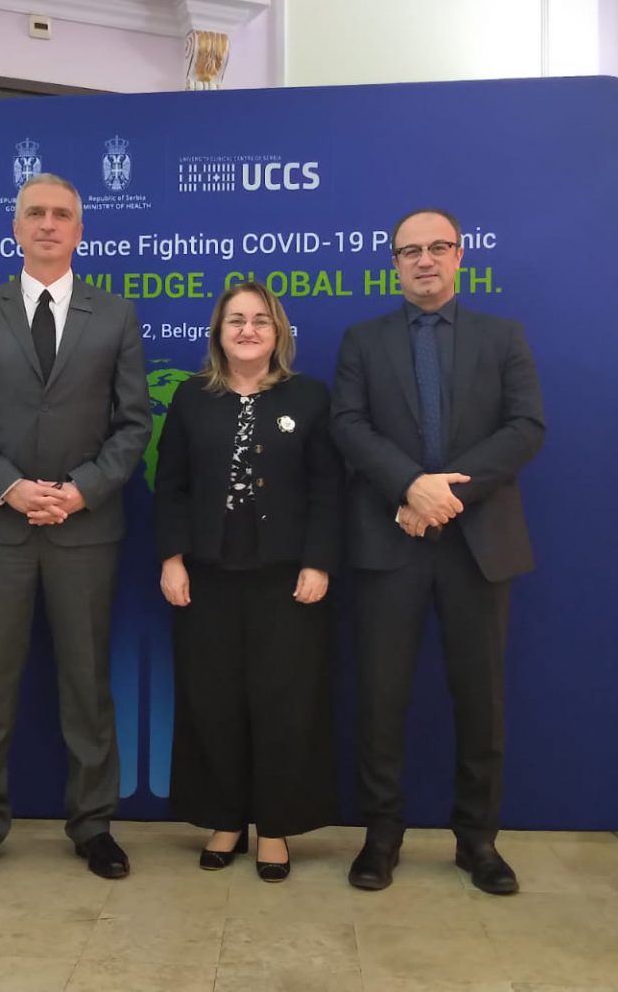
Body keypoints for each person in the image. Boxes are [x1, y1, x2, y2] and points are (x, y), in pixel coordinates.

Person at [0, 172, 151, 883]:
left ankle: (93, 823)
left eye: (62, 214)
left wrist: (80, 491)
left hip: (84, 529)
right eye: (36, 213)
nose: (49, 224)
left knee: (87, 682)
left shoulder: (114, 314)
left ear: (80, 231)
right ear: (17, 227)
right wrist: (11, 488)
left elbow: (133, 424)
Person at [330, 207, 545, 895]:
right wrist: (409, 487)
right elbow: (348, 426)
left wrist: (447, 493)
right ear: (394, 262)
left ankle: (478, 840)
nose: (424, 260)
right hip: (391, 539)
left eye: (437, 248)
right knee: (381, 697)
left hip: (478, 544)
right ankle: (381, 837)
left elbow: (526, 427)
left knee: (481, 700)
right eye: (410, 251)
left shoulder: (502, 336)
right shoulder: (363, 341)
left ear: (459, 255)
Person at [154, 280, 341, 882]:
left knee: (283, 703)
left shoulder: (309, 397)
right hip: (206, 577)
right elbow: (170, 486)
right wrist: (172, 559)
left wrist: (318, 561)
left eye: (260, 320)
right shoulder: (191, 397)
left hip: (286, 580)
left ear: (278, 332)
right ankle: (225, 819)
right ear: (218, 333)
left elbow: (328, 490)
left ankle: (275, 826)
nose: (248, 330)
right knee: (213, 701)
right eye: (236, 320)